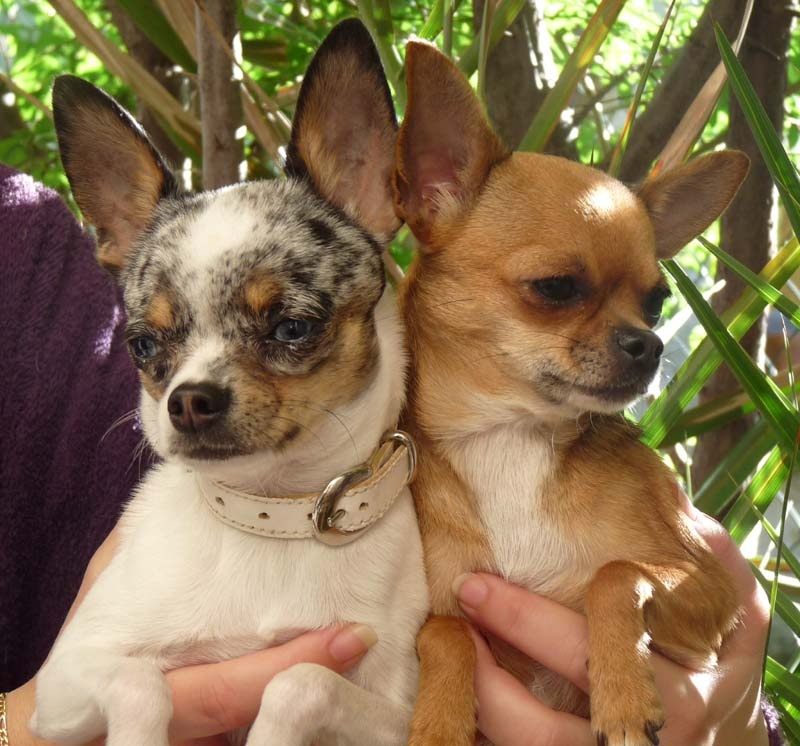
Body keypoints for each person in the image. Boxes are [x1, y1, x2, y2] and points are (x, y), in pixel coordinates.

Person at [0, 165, 784, 744]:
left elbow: (715, 652)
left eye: (290, 330)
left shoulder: (379, 489)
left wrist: (745, 725)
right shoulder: (404, 496)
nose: (193, 396)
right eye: (554, 288)